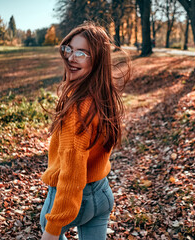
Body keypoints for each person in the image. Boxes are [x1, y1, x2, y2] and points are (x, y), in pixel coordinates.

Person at [39, 22, 130, 240]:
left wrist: (52, 230)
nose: (71, 57)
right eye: (69, 49)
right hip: (102, 194)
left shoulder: (78, 109)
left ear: (97, 61)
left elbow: (72, 173)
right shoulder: (102, 97)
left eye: (81, 53)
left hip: (70, 200)